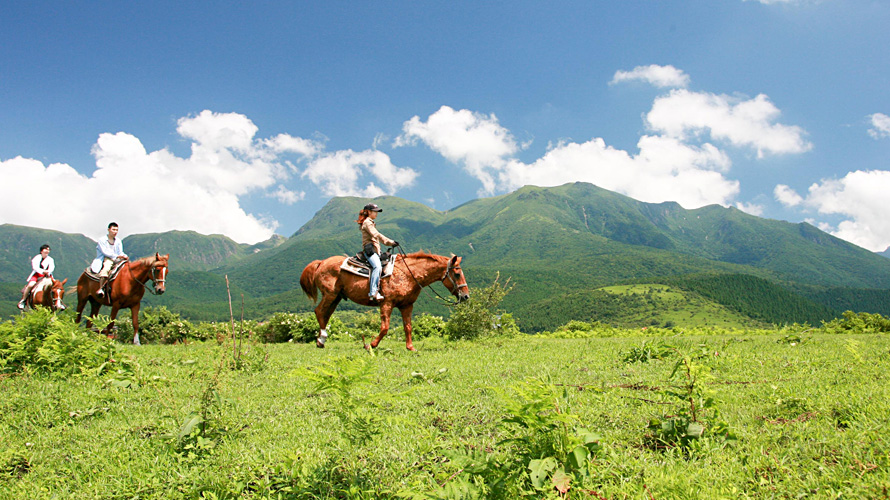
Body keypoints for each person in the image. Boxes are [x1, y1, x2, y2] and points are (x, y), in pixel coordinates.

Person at [357, 203, 398, 301]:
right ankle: (373, 292)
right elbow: (376, 234)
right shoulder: (367, 222)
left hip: (375, 250)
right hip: (370, 250)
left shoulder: (370, 222)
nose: (376, 214)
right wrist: (390, 242)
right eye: (375, 211)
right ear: (369, 212)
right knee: (377, 267)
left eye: (377, 212)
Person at [91, 222, 128, 297]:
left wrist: (125, 256)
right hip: (107, 258)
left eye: (116, 230)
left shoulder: (118, 241)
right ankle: (101, 288)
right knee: (106, 270)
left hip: (117, 259)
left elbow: (120, 251)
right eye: (113, 229)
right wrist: (118, 256)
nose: (115, 232)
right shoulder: (102, 240)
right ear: (109, 230)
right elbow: (105, 252)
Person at [18, 244, 55, 310]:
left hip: (47, 275)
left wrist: (48, 272)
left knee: (56, 286)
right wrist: (43, 271)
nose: (47, 251)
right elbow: (35, 267)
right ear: (41, 251)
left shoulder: (50, 259)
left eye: (48, 249)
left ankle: (57, 302)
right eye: (46, 249)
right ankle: (23, 300)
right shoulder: (36, 258)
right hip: (37, 274)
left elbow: (52, 267)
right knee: (30, 285)